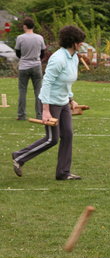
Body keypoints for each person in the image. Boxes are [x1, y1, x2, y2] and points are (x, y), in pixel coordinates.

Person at [12, 25, 86, 180]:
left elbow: (66, 83)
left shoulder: (73, 58)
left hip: (63, 102)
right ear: (73, 42)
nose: (82, 44)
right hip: (50, 102)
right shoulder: (58, 59)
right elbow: (46, 83)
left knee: (68, 135)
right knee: (52, 139)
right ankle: (19, 157)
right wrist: (45, 110)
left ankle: (63, 173)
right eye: (80, 41)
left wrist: (71, 99)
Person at [15, 17, 46, 120]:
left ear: (24, 26)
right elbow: (43, 53)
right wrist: (36, 59)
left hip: (24, 66)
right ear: (33, 26)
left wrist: (25, 58)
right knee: (38, 91)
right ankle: (40, 115)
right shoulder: (40, 38)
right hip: (36, 65)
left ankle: (21, 115)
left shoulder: (20, 38)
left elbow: (18, 52)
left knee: (22, 91)